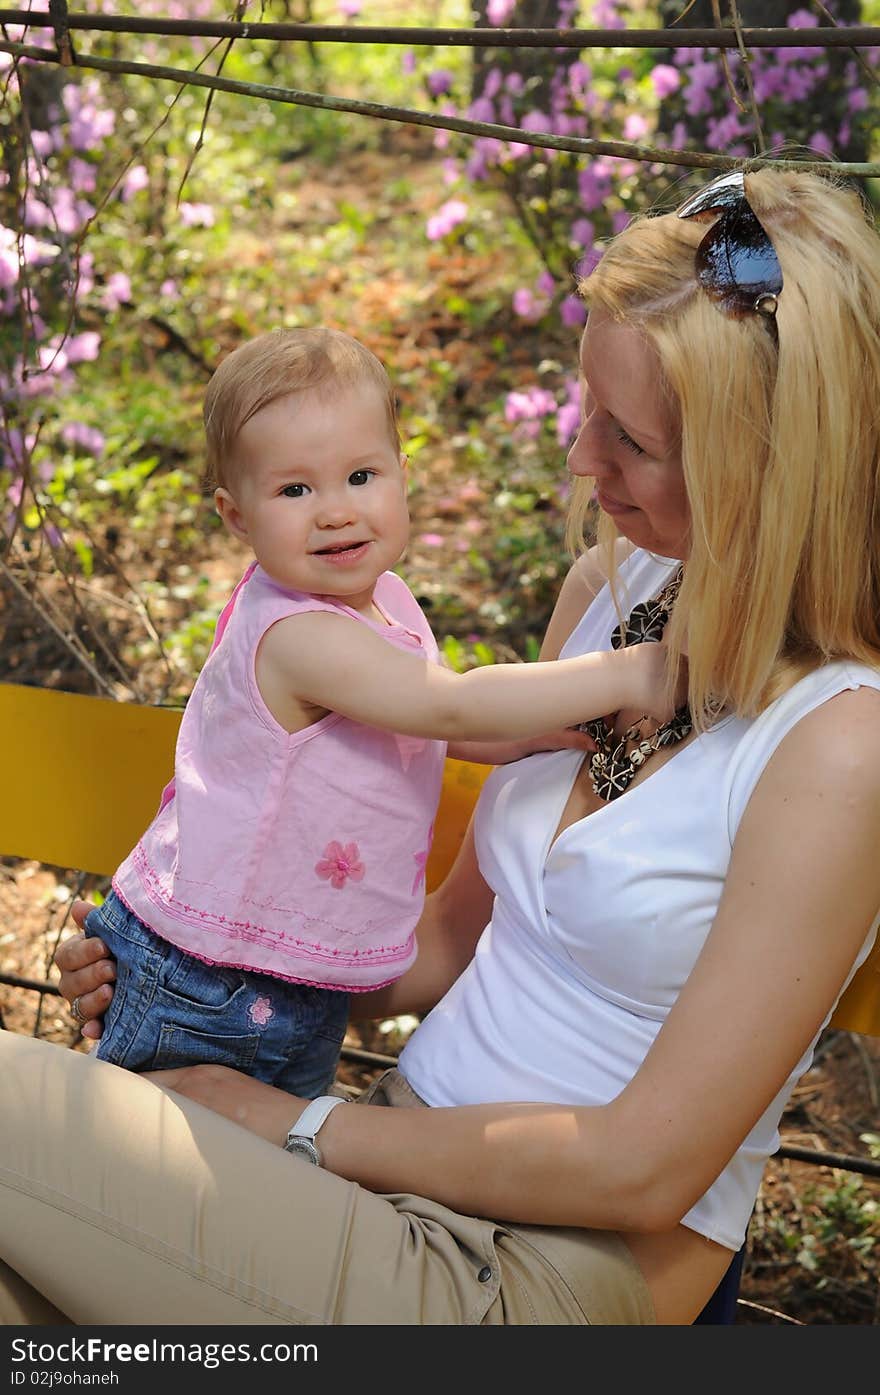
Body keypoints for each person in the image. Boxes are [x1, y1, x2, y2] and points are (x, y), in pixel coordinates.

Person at [2, 165, 880, 1327]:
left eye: (627, 441)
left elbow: (644, 1169)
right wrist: (205, 988)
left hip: (523, 1277)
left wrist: (292, 1124)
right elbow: (444, 941)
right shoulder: (616, 597)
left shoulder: (840, 742)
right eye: (585, 413)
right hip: (375, 1167)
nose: (580, 463)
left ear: (764, 460)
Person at [72, 325, 675, 1101]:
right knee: (155, 1195)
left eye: (361, 475)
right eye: (294, 490)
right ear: (235, 515)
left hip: (295, 977)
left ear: (401, 473)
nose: (335, 512)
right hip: (207, 981)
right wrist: (626, 671)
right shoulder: (298, 634)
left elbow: (416, 717)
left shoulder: (379, 602)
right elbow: (444, 703)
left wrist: (522, 736)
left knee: (266, 1193)